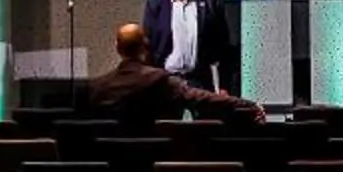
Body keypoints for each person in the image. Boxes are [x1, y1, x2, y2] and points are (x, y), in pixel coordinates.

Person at [80, 23, 263, 129]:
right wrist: (249, 105)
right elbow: (205, 98)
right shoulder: (161, 81)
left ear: (117, 48)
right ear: (145, 46)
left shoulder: (97, 88)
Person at [142, 0, 243, 95]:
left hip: (200, 80)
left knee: (208, 118)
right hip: (166, 81)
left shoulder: (211, 3)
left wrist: (224, 87)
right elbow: (148, 50)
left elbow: (223, 49)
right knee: (165, 118)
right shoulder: (154, 7)